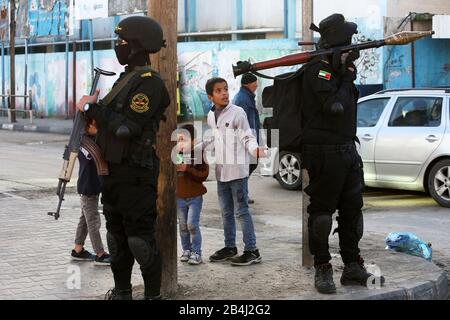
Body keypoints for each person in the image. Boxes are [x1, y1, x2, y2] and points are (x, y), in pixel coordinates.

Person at [76, 16, 170, 300]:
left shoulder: (149, 83)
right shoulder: (126, 79)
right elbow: (109, 124)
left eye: (122, 42)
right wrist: (92, 116)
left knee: (139, 240)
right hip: (113, 172)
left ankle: (153, 295)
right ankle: (122, 292)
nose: (118, 47)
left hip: (136, 172)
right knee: (116, 239)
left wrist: (94, 108)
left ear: (138, 46)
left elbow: (126, 127)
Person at [301, 13, 385, 294]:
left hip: (348, 150)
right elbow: (334, 107)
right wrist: (347, 74)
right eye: (347, 43)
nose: (351, 49)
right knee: (322, 214)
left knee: (352, 212)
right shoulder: (318, 70)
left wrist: (345, 71)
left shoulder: (335, 71)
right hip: (324, 153)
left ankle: (352, 266)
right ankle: (322, 267)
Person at [205, 77, 266, 266]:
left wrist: (255, 149)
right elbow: (213, 140)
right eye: (218, 91)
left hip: (238, 172)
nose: (224, 93)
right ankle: (230, 247)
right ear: (210, 96)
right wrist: (192, 147)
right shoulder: (210, 116)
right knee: (225, 212)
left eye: (225, 89)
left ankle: (252, 250)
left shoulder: (237, 113)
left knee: (242, 212)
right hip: (221, 172)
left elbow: (247, 136)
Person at [71, 119, 111, 266]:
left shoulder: (90, 140)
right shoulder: (85, 143)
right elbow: (94, 156)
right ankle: (100, 253)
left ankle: (78, 249)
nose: (98, 126)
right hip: (88, 187)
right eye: (95, 123)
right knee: (93, 221)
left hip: (91, 186)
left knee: (85, 219)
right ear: (88, 126)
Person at [176, 124, 209, 265]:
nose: (180, 144)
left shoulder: (198, 154)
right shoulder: (176, 155)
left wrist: (188, 169)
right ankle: (186, 250)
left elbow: (204, 174)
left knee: (192, 224)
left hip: (195, 196)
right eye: (178, 141)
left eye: (183, 140)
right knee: (183, 225)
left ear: (194, 141)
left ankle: (197, 252)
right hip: (179, 197)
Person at [232, 73, 260, 204]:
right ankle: (240, 195)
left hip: (250, 139)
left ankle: (242, 193)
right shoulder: (242, 99)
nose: (257, 84)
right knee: (246, 167)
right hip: (245, 141)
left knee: (249, 166)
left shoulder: (246, 96)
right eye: (255, 82)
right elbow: (240, 123)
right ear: (248, 84)